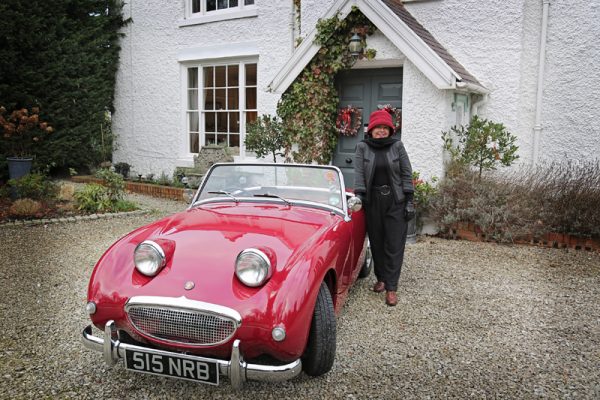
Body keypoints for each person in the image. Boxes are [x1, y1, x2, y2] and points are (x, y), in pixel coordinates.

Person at [354, 109, 415, 306]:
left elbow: (407, 173)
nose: (381, 131)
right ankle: (380, 278)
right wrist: (359, 197)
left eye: (384, 127)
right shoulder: (363, 147)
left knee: (394, 244)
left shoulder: (397, 146)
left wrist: (410, 201)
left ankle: (391, 287)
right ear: (370, 130)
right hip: (373, 202)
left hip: (395, 201)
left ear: (390, 129)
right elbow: (358, 174)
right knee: (377, 242)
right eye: (377, 128)